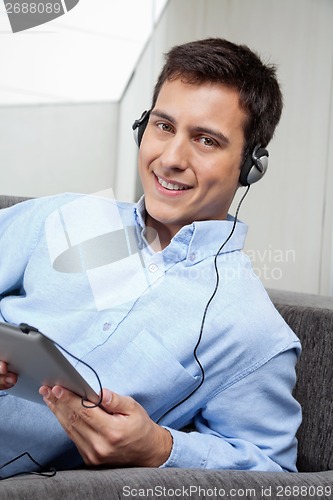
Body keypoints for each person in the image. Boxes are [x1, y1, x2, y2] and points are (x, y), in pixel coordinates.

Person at [0, 38, 301, 477]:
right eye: (163, 126)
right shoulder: (65, 214)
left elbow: (275, 476)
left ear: (250, 166)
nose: (171, 158)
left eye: (206, 140)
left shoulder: (251, 331)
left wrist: (161, 448)